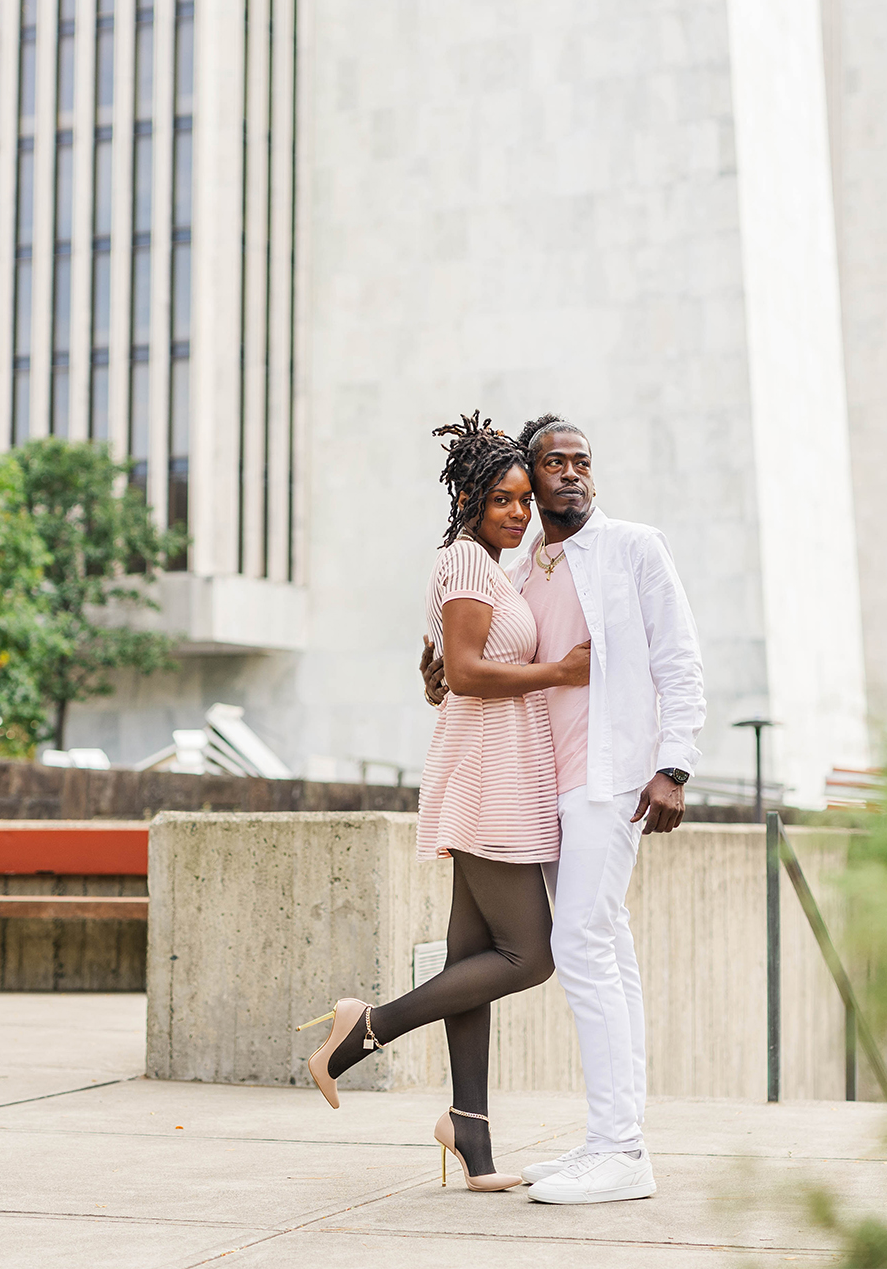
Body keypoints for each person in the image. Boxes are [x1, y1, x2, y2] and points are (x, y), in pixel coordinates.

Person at [300, 412, 591, 1192]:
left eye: (524, 499)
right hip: (489, 777)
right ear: (465, 497)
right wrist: (561, 672)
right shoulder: (467, 563)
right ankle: (367, 1029)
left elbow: (446, 673)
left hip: (499, 767)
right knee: (530, 956)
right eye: (502, 499)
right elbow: (463, 673)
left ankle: (472, 1135)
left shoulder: (496, 567)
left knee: (472, 962)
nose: (519, 512)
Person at [421, 412, 705, 1205]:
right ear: (527, 478)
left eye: (584, 460)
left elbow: (679, 658)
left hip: (611, 781)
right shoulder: (522, 570)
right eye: (555, 463)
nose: (572, 473)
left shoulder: (633, 548)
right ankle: (612, 1142)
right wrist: (441, 668)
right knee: (605, 945)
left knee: (579, 941)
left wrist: (674, 765)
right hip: (544, 788)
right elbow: (487, 659)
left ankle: (621, 1150)